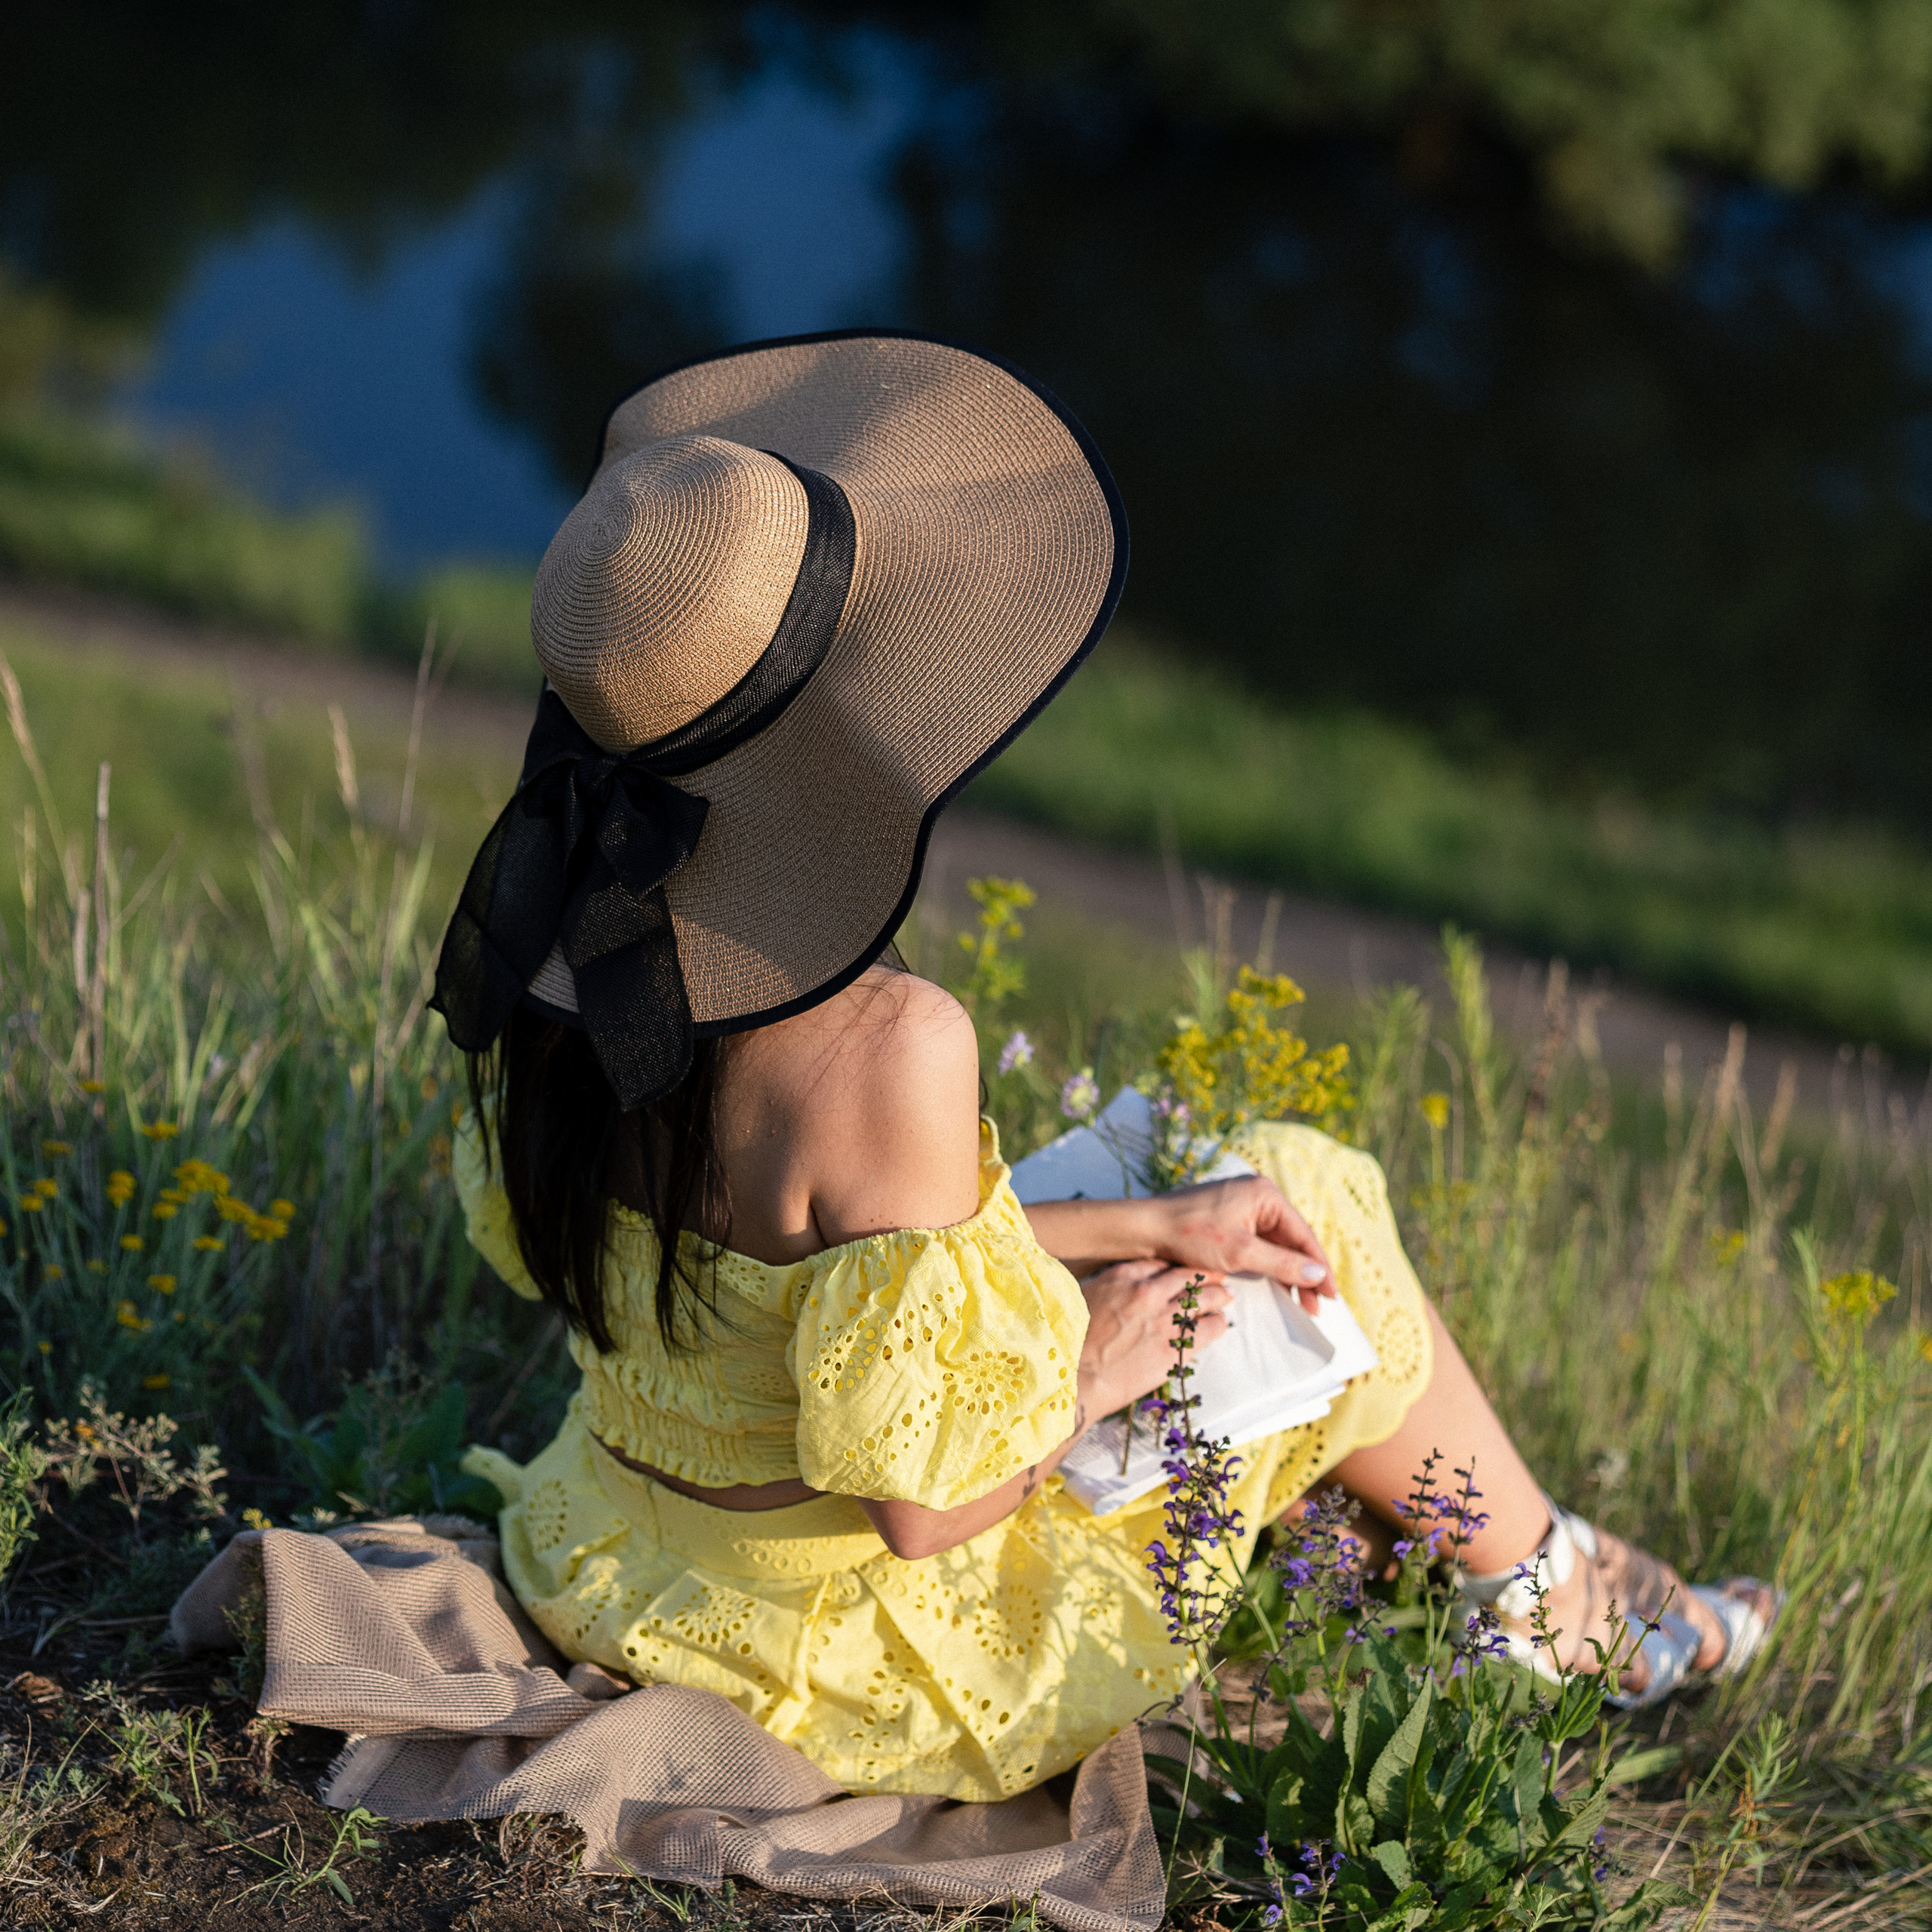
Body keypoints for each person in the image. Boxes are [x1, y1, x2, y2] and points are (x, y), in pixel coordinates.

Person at [435, 331, 1775, 1806]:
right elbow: (925, 1506)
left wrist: (1135, 1226)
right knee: (1315, 1209)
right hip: (834, 1654)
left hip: (619, 1548)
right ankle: (1569, 1610)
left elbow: (794, 1270)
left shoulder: (556, 931)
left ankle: (1524, 1572)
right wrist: (1094, 1367)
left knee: (1223, 1192)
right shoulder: (889, 1046)